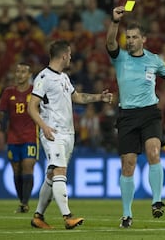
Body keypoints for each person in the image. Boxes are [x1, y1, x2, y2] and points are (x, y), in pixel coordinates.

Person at [106, 6, 165, 228]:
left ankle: (157, 201)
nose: (129, 41)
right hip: (127, 115)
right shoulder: (119, 57)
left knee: (154, 151)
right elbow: (110, 43)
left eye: (134, 37)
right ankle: (127, 214)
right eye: (127, 37)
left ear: (144, 39)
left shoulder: (155, 60)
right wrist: (114, 22)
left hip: (150, 113)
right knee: (128, 164)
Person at [28, 40, 113, 230]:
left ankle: (38, 216)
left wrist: (100, 97)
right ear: (64, 55)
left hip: (68, 133)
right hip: (53, 132)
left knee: (51, 175)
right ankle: (68, 217)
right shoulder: (44, 77)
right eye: (70, 54)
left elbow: (78, 97)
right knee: (60, 171)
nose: (71, 57)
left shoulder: (64, 78)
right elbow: (31, 107)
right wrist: (44, 127)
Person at [0, 62, 37, 213]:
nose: (20, 74)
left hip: (30, 135)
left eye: (24, 71)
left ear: (30, 75)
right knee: (16, 170)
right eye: (18, 71)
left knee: (28, 166)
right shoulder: (8, 92)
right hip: (13, 136)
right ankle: (21, 201)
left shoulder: (35, 91)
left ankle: (24, 203)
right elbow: (2, 111)